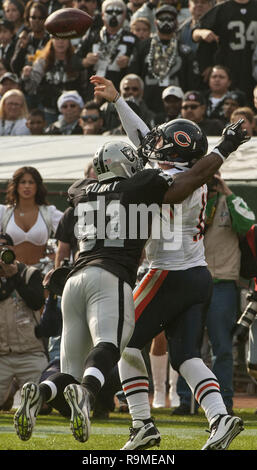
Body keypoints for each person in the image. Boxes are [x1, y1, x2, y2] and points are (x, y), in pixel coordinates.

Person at [14, 74, 248, 448]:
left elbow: (155, 159)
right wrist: (117, 102)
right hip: (196, 273)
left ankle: (141, 422)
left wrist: (223, 149)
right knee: (186, 355)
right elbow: (150, 144)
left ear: (173, 152)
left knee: (121, 342)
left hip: (166, 272)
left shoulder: (171, 178)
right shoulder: (188, 172)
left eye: (161, 142)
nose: (151, 145)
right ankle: (219, 416)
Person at [176, 172, 255, 416]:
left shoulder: (229, 202)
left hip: (222, 282)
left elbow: (248, 225)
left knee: (222, 347)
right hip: (193, 281)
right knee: (187, 345)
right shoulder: (190, 202)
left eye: (213, 180)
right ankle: (185, 401)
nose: (209, 185)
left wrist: (227, 193)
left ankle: (224, 403)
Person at [0, 232, 48, 410]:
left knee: (42, 405)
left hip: (30, 352)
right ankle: (8, 393)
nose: (2, 249)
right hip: (1, 355)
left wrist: (15, 277)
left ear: (13, 249)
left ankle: (12, 389)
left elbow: (37, 303)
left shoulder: (30, 273)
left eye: (5, 245)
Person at [129, 4, 200, 114]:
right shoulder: (142, 47)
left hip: (176, 106)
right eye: (162, 19)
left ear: (176, 23)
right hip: (147, 106)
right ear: (155, 22)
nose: (166, 22)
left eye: (170, 19)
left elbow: (192, 82)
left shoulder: (185, 51)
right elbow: (134, 76)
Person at [192, 0, 257, 104]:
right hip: (228, 68)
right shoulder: (222, 9)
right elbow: (195, 32)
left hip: (253, 69)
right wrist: (203, 33)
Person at [74, 0, 138, 102]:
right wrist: (85, 61)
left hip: (118, 92)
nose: (113, 15)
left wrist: (129, 62)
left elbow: (140, 66)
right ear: (102, 15)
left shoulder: (132, 39)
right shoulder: (92, 36)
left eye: (118, 12)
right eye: (109, 11)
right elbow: (74, 61)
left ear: (125, 15)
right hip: (93, 91)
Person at [0, 166, 63, 266]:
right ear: (16, 185)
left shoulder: (49, 212)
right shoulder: (3, 212)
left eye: (31, 182)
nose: (27, 186)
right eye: (23, 182)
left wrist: (58, 254)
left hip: (40, 273)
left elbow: (70, 230)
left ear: (37, 186)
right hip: (11, 273)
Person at [21, 37, 84, 124]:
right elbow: (31, 88)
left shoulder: (76, 60)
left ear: (69, 42)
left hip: (71, 110)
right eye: (57, 39)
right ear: (51, 41)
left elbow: (83, 84)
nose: (61, 42)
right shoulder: (42, 62)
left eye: (64, 39)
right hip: (49, 110)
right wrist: (26, 77)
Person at [10, 2, 50, 76]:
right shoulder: (24, 39)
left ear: (46, 19)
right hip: (26, 82)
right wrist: (23, 48)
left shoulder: (50, 40)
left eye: (40, 18)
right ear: (28, 19)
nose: (36, 21)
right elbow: (14, 67)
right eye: (33, 17)